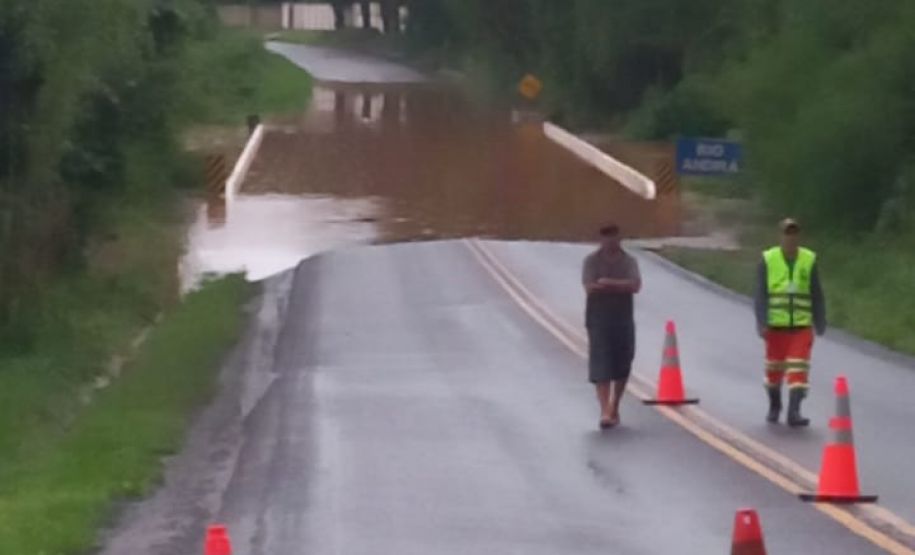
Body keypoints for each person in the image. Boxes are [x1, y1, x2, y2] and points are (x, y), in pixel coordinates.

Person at [754, 218, 826, 427]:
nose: (791, 238)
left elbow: (816, 292)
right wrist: (762, 322)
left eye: (794, 234)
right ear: (780, 236)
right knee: (773, 372)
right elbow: (760, 294)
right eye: (787, 234)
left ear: (799, 237)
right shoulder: (768, 259)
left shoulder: (808, 259)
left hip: (801, 327)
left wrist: (820, 319)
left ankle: (794, 412)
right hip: (775, 328)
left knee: (798, 370)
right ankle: (775, 405)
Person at [581, 223, 642, 429]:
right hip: (598, 318)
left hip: (622, 318)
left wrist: (608, 283)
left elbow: (636, 285)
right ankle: (605, 410)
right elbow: (589, 286)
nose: (610, 241)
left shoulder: (629, 261)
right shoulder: (591, 261)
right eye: (606, 237)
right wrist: (620, 285)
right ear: (600, 239)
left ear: (619, 238)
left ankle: (615, 404)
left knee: (623, 362)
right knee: (601, 362)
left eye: (613, 237)